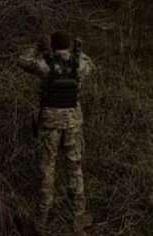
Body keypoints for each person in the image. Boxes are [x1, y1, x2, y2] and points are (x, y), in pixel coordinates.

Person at [18, 30, 95, 235]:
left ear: (52, 45)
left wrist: (38, 46)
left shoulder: (45, 64)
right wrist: (77, 51)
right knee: (75, 167)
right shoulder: (80, 63)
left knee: (47, 169)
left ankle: (41, 221)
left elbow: (23, 61)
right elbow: (90, 65)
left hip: (50, 122)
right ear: (69, 45)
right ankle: (79, 219)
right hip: (72, 122)